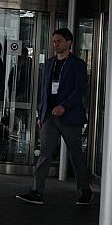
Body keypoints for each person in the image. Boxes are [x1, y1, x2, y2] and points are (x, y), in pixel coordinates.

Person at [16, 28, 92, 206]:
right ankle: (37, 191)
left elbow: (79, 90)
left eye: (59, 41)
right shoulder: (49, 63)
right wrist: (41, 113)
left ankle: (84, 190)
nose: (55, 44)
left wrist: (63, 106)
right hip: (50, 116)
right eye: (54, 41)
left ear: (69, 42)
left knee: (75, 154)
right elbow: (44, 91)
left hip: (70, 116)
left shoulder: (78, 64)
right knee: (44, 153)